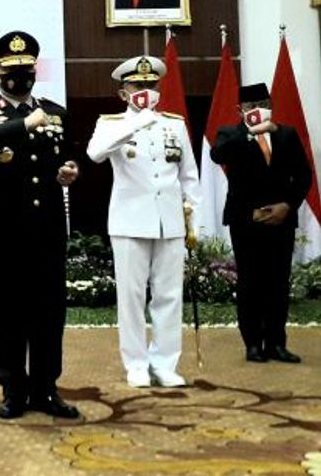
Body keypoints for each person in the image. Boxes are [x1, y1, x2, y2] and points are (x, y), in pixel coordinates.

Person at [0, 31, 80, 420]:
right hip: (4, 229)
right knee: (8, 309)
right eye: (12, 71)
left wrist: (68, 171)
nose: (21, 77)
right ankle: (13, 388)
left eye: (27, 69)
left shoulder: (56, 111)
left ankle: (46, 388)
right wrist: (25, 123)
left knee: (49, 310)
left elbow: (68, 157)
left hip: (47, 225)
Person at [86, 55, 198, 388]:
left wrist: (196, 222)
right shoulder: (111, 124)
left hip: (170, 222)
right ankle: (135, 364)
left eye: (151, 85)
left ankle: (165, 362)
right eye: (138, 86)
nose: (146, 91)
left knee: (168, 295)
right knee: (132, 296)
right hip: (130, 221)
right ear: (123, 93)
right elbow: (95, 153)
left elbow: (189, 176)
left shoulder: (174, 124)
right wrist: (137, 121)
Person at [210, 82, 312, 363]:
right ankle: (253, 344)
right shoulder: (230, 134)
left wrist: (287, 206)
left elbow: (304, 176)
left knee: (278, 282)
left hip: (280, 219)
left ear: (271, 106)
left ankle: (277, 343)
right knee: (251, 282)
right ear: (239, 110)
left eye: (263, 105)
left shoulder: (286, 134)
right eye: (251, 106)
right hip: (246, 221)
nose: (258, 110)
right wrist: (248, 133)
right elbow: (217, 154)